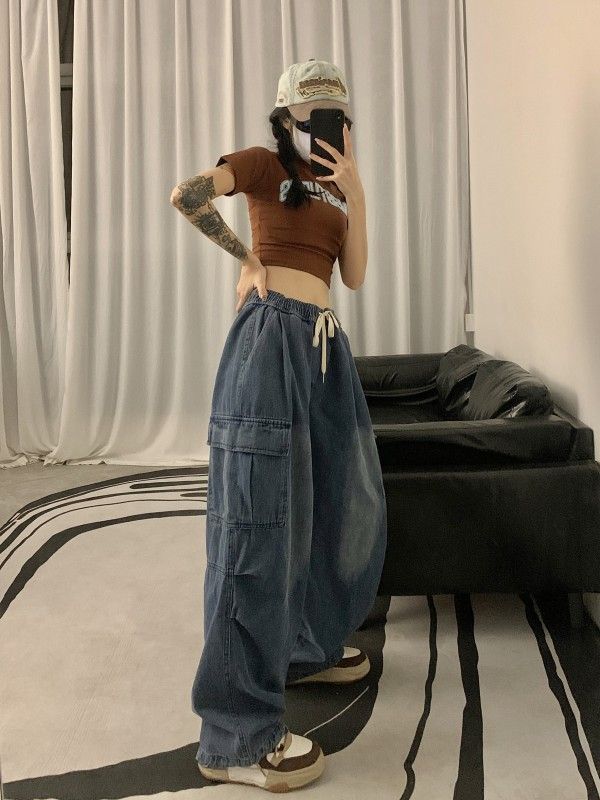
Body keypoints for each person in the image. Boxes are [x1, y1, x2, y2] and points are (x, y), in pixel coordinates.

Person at [170, 59, 387, 792]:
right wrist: (247, 258)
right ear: (286, 118)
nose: (327, 126)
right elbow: (188, 194)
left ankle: (302, 648)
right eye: (312, 114)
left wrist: (357, 193)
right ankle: (234, 737)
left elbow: (353, 276)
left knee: (328, 510)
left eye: (337, 115)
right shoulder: (264, 166)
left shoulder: (335, 188)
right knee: (255, 526)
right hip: (271, 342)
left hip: (326, 351)